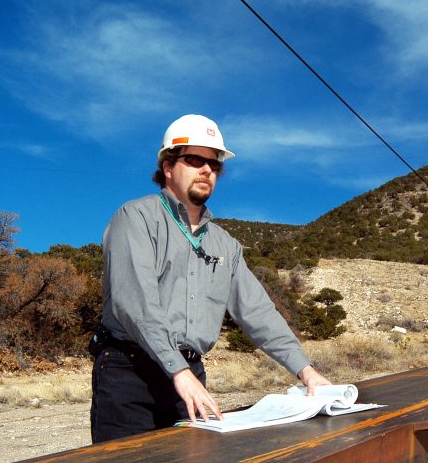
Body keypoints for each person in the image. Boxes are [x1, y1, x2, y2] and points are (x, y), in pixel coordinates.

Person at [89, 114, 331, 443]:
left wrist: (307, 372)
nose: (207, 170)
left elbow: (259, 313)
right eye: (194, 159)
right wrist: (179, 372)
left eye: (214, 164)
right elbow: (136, 305)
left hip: (189, 376)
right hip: (128, 374)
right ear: (168, 166)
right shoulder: (135, 219)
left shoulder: (225, 246)